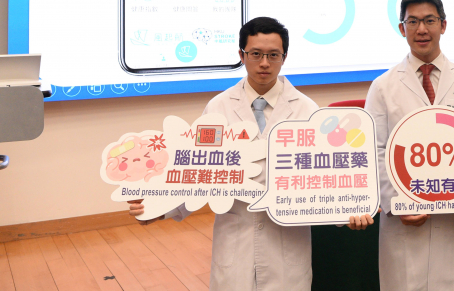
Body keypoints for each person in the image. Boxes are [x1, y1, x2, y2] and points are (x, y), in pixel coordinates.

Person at [128, 17, 374, 290]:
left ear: (285, 57)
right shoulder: (218, 108)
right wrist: (159, 208)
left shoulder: (307, 110)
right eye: (256, 54)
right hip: (236, 239)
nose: (264, 63)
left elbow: (326, 178)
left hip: (287, 243)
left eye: (273, 55)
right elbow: (200, 175)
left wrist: (349, 214)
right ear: (241, 55)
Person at [365, 0, 454, 291]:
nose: (421, 29)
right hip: (406, 218)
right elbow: (374, 151)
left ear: (443, 25)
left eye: (429, 20)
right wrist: (397, 203)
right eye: (413, 21)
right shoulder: (383, 86)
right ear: (402, 28)